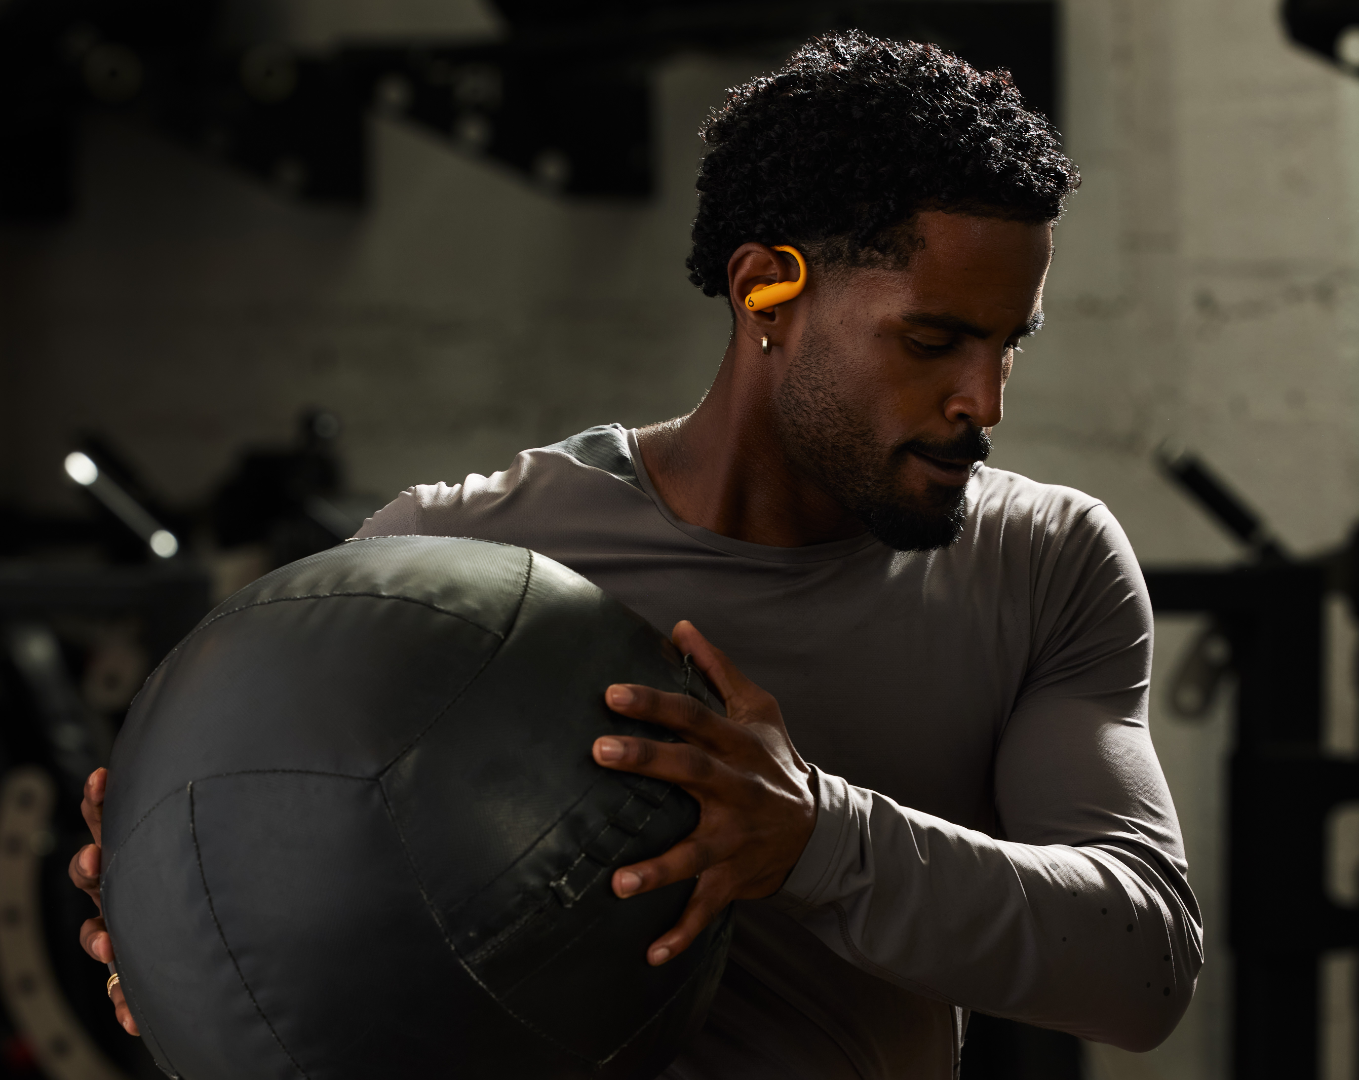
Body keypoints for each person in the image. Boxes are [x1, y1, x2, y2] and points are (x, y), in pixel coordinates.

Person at [71, 31, 1203, 1078]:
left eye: (1010, 343)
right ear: (768, 287)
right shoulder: (463, 559)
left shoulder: (1043, 561)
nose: (983, 399)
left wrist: (812, 836)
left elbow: (1143, 961)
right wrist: (183, 924)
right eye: (934, 339)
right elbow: (267, 904)